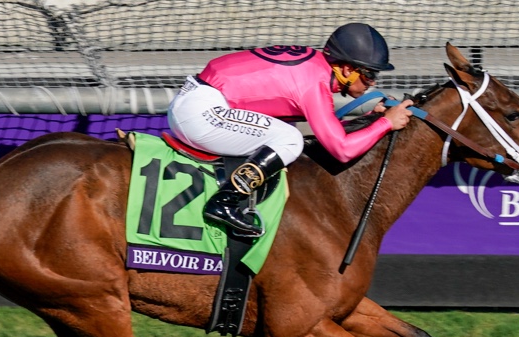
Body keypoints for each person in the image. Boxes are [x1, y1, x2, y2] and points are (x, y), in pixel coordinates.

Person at [167, 23, 414, 236]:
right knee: (290, 138)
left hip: (197, 102)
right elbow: (342, 150)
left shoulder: (314, 67)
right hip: (200, 112)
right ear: (347, 69)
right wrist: (386, 123)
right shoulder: (314, 83)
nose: (372, 82)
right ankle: (224, 201)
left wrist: (371, 120)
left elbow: (331, 134)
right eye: (369, 74)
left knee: (286, 135)